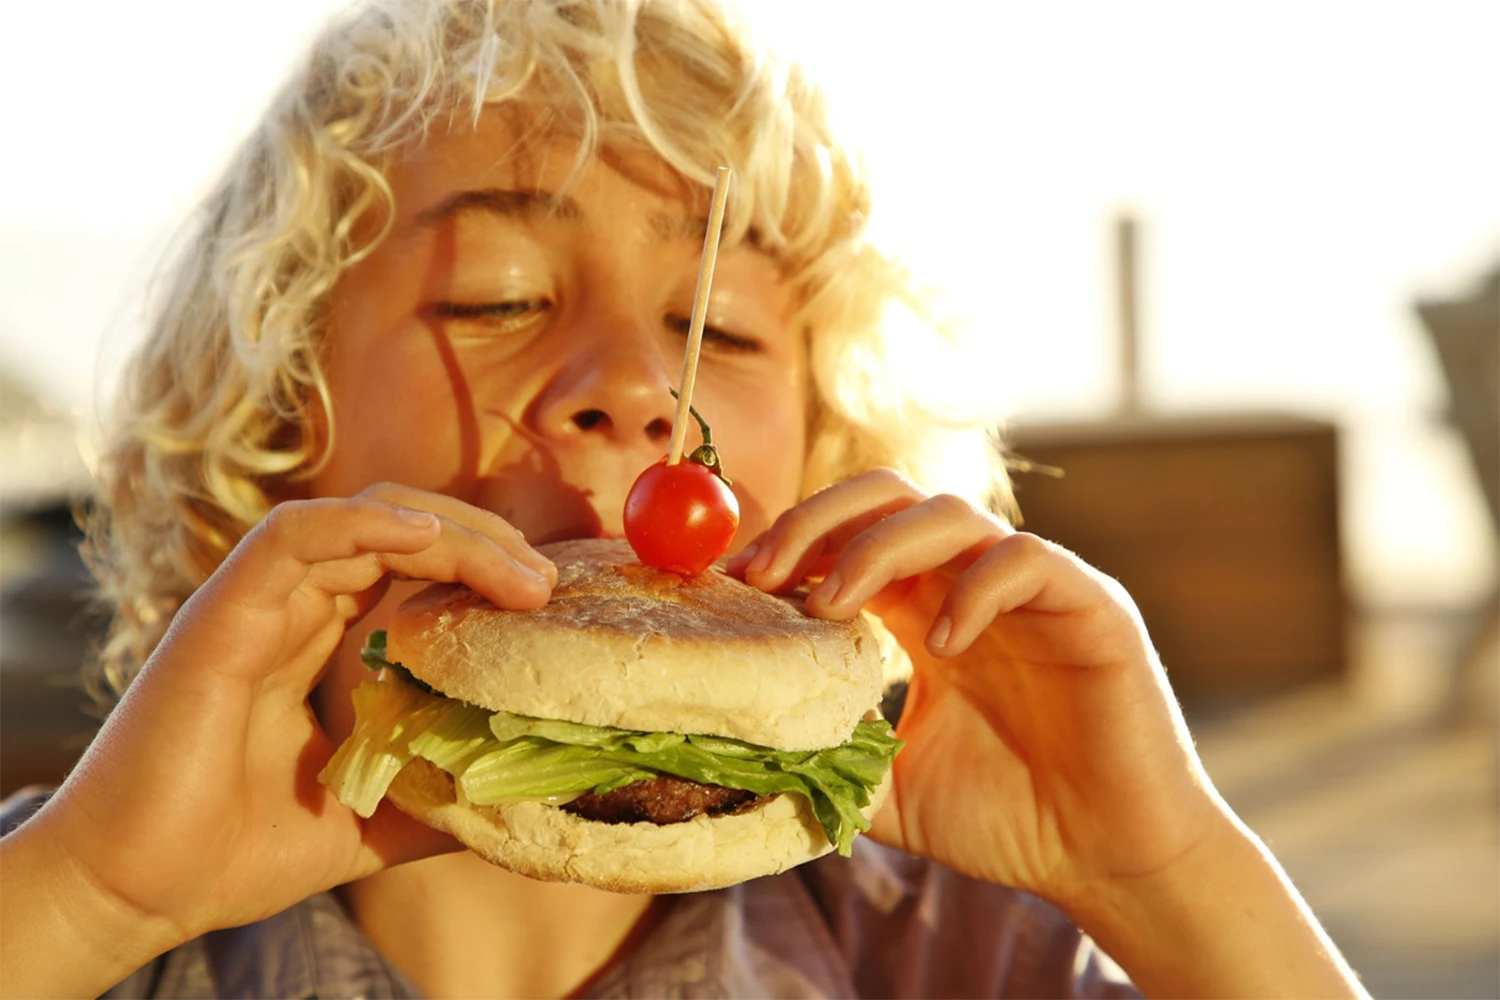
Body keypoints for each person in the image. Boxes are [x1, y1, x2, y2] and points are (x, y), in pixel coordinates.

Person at [0, 1, 1371, 997]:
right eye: (499, 297)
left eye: (720, 332)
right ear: (272, 426)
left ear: (830, 453)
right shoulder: (85, 888)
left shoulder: (960, 949)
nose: (644, 388)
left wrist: (1161, 877)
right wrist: (94, 902)